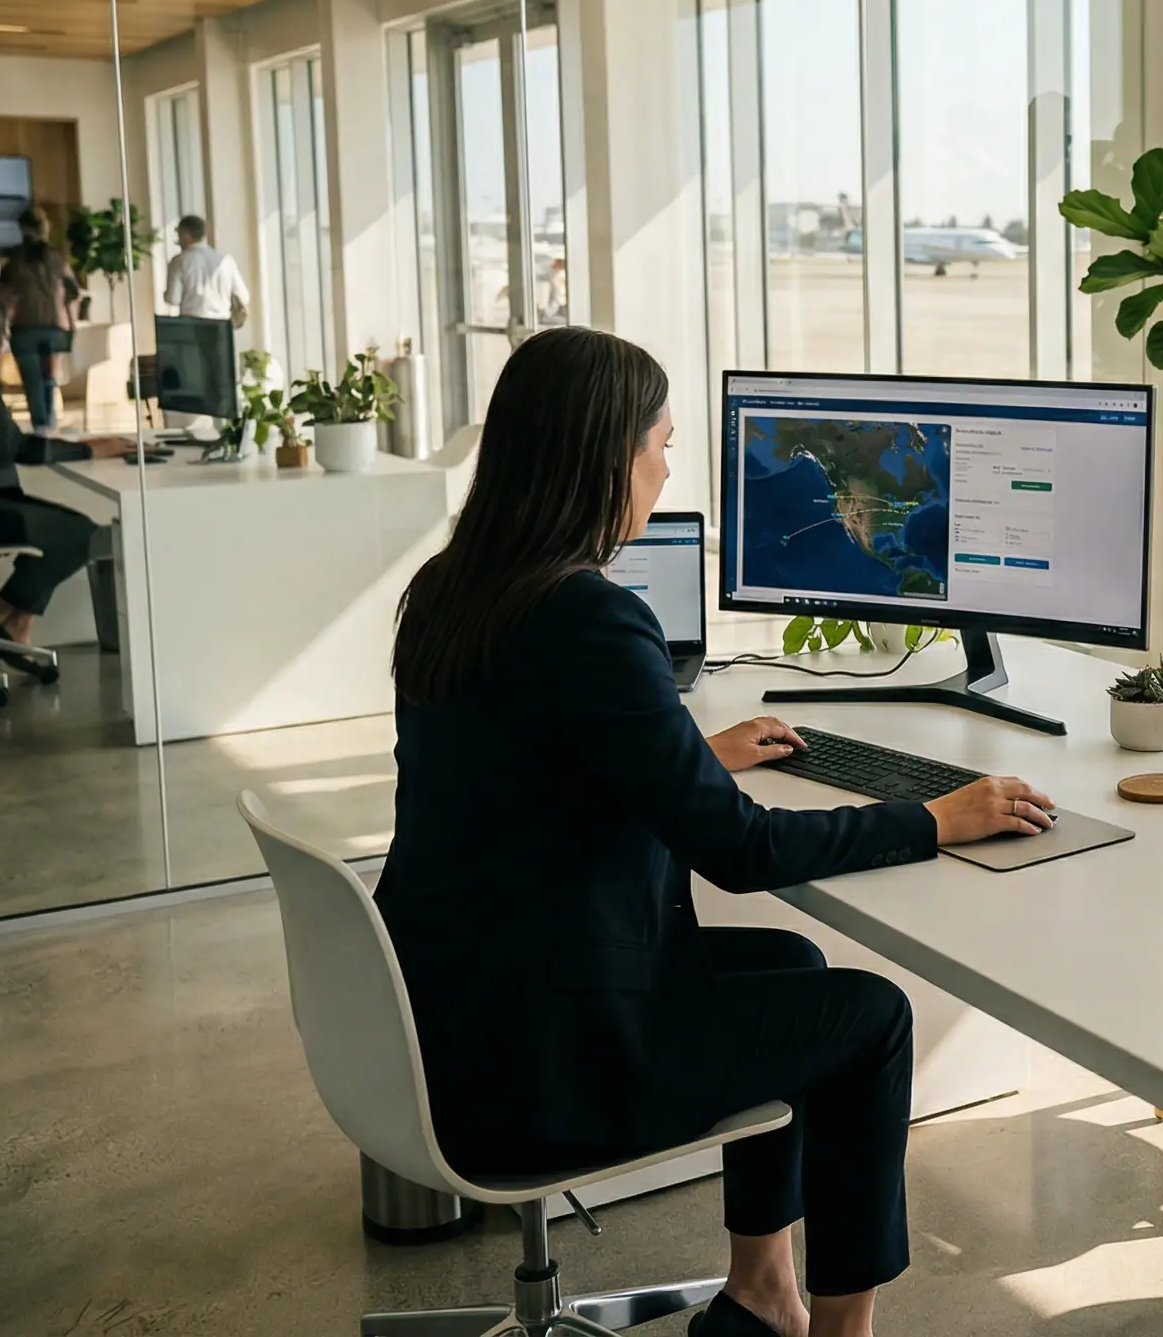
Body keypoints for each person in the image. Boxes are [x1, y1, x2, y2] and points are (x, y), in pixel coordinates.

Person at [375, 326, 1053, 1337]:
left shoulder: (450, 590)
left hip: (454, 1021)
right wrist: (934, 818)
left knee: (790, 961)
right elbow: (742, 851)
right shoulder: (589, 618)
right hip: (550, 1066)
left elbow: (525, 766)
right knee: (870, 1019)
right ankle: (843, 1333)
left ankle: (759, 1292)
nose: (664, 470)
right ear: (605, 459)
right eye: (660, 446)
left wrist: (687, 755)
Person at [0, 291, 132, 652]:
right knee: (81, 533)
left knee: (63, 529)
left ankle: (11, 622)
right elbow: (15, 448)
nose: (7, 337)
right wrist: (89, 448)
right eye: (3, 329)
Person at [0, 208, 79, 435]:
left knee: (32, 382)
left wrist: (1, 324)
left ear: (21, 228)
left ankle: (41, 427)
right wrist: (71, 323)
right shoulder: (57, 257)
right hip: (54, 326)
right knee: (49, 380)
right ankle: (49, 424)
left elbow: (0, 297)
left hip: (24, 327)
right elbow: (72, 292)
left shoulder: (14, 260)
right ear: (44, 227)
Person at [161, 213, 250, 322]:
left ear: (186, 234)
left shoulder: (179, 261)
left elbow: (173, 299)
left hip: (192, 323)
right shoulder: (226, 261)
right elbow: (243, 296)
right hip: (221, 323)